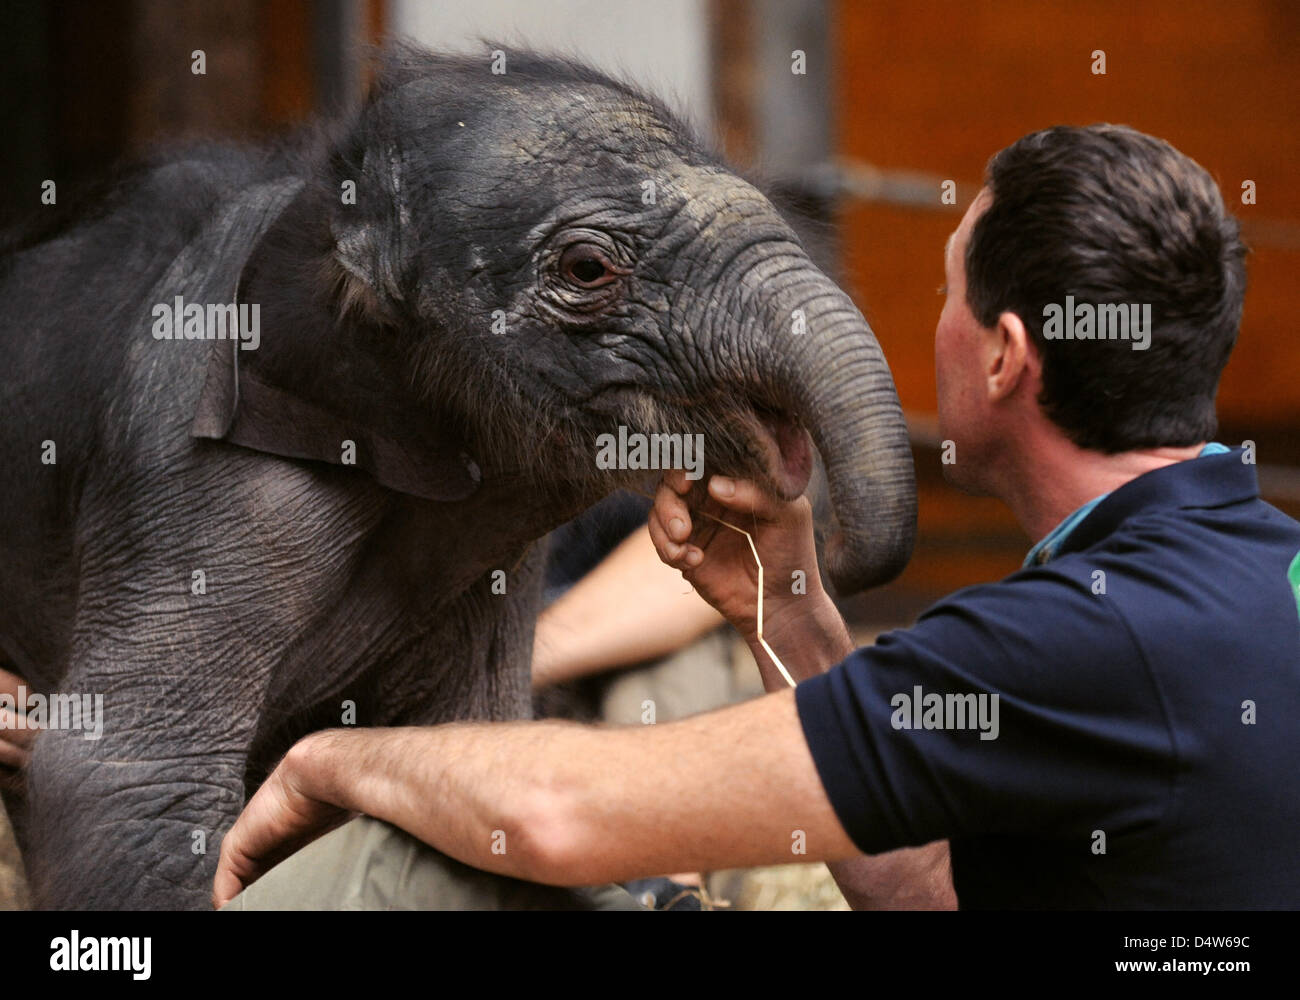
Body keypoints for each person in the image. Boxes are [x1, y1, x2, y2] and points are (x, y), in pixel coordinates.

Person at [212, 123, 1299, 910]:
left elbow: (554, 813)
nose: (933, 328)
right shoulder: (1242, 571)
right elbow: (926, 884)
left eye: (944, 294)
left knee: (418, 865)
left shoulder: (1074, 637)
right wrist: (784, 610)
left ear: (1007, 354)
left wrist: (328, 759)